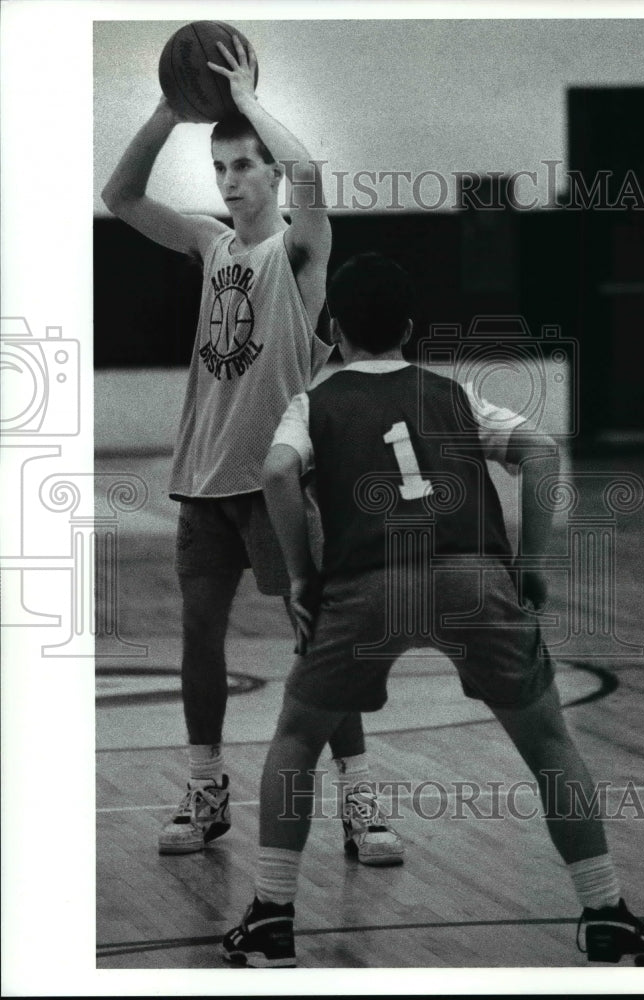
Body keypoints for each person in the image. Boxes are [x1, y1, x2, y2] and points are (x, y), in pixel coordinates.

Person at [220, 253, 644, 968]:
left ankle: (271, 917)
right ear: (411, 331)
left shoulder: (314, 401)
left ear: (333, 328)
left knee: (297, 740)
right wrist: (530, 566)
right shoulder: (456, 395)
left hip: (367, 586)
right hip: (472, 578)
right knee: (549, 744)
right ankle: (605, 910)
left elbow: (275, 472)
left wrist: (303, 576)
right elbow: (543, 454)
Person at [100, 36, 402, 865]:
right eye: (222, 166)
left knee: (320, 645)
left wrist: (248, 99)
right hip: (202, 481)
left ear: (270, 175)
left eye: (244, 166)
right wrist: (169, 107)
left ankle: (362, 804)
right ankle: (204, 791)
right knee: (200, 642)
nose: (231, 179)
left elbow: (311, 176)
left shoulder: (299, 253)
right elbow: (119, 195)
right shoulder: (209, 245)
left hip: (280, 483)